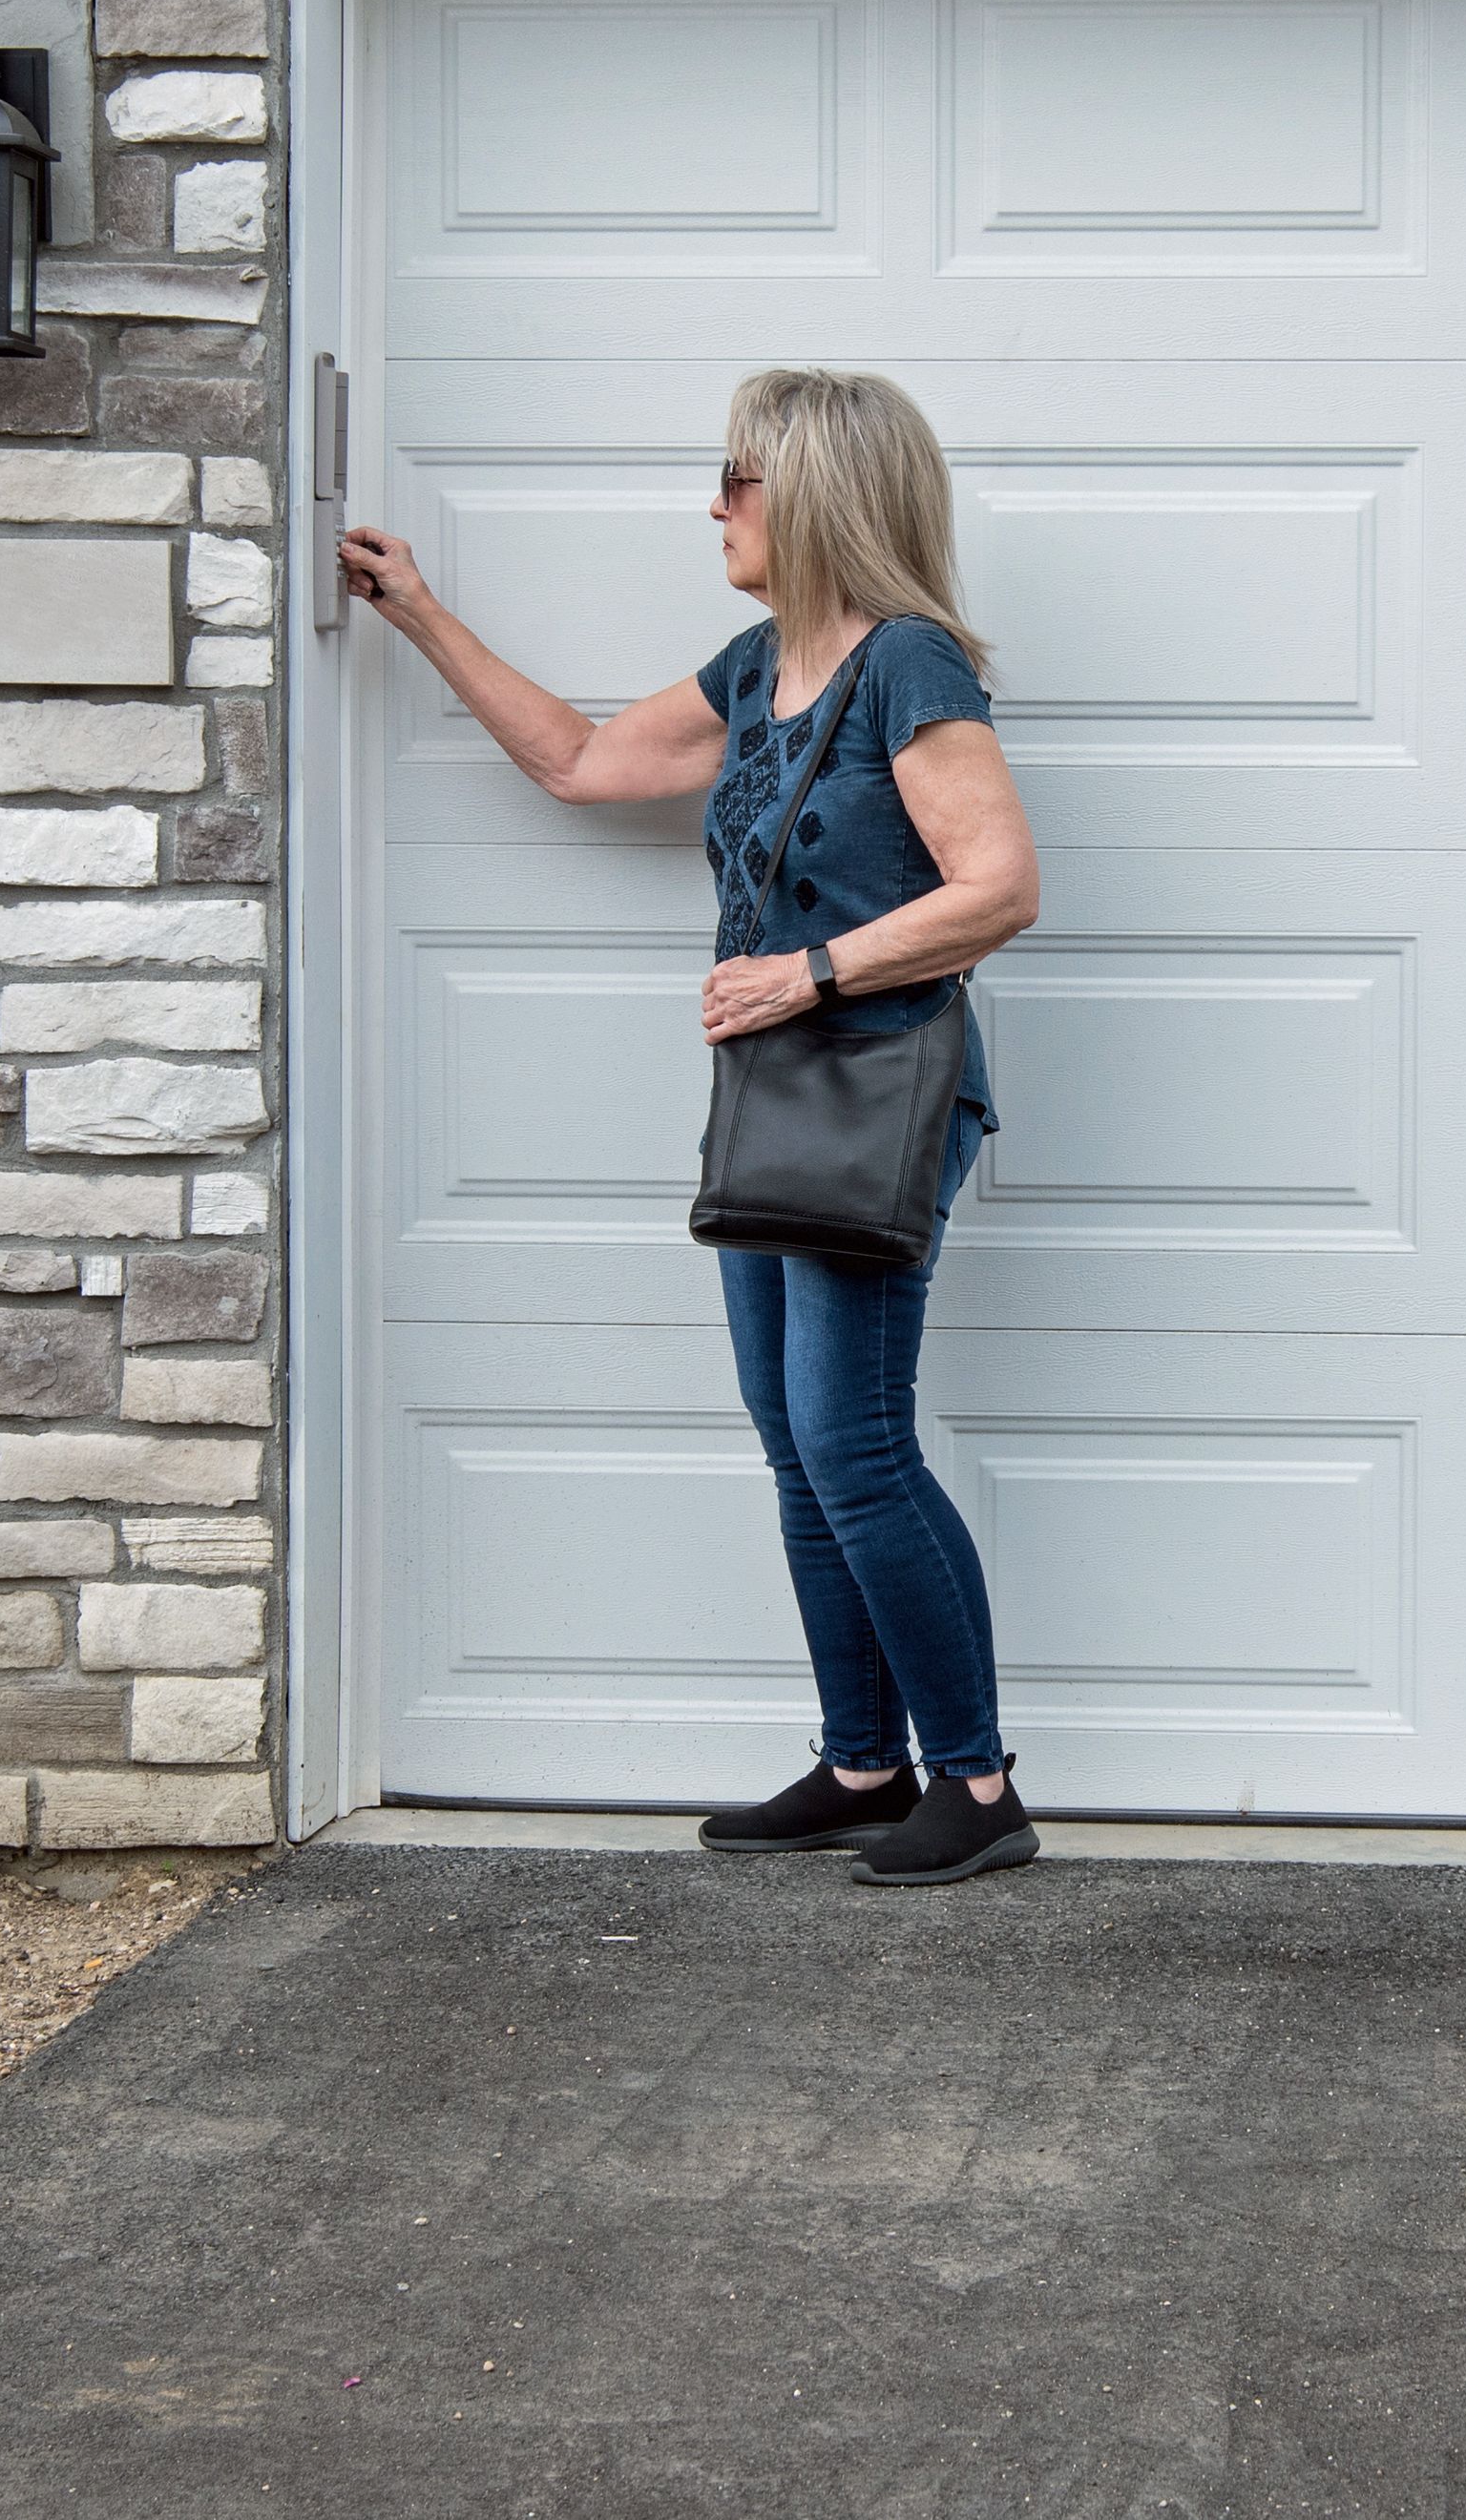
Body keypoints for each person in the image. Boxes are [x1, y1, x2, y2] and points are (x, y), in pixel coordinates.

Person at [336, 370, 1047, 1887]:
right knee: (798, 1448)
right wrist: (422, 617)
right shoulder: (758, 666)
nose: (713, 503)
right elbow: (582, 762)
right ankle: (864, 1762)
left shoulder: (908, 668)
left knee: (853, 1444)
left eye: (739, 477)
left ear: (820, 494)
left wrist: (809, 968)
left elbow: (997, 886)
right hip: (777, 1102)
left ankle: (976, 1786)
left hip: (875, 1091)